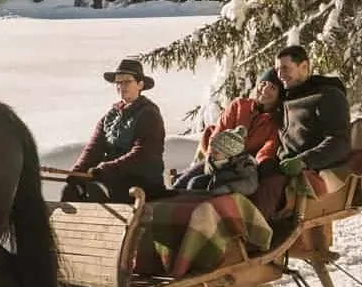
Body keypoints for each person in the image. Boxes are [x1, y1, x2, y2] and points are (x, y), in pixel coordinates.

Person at [254, 45, 352, 216]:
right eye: (277, 70)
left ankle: (256, 238)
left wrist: (304, 161)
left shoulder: (328, 96)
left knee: (268, 188)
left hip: (304, 169)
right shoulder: (286, 98)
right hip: (278, 165)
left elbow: (339, 142)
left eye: (285, 68)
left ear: (304, 67)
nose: (280, 75)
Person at [63, 58, 166, 203]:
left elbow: (143, 153)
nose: (121, 86)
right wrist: (77, 172)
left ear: (140, 85)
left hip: (142, 181)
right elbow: (93, 149)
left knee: (98, 190)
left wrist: (106, 169)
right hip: (110, 176)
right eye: (118, 83)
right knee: (72, 190)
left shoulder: (149, 114)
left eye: (127, 82)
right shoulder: (109, 116)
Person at [168, 68, 283, 195]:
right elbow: (219, 132)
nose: (265, 89)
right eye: (263, 83)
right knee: (181, 184)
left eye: (272, 87)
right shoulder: (239, 105)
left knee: (196, 184)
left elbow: (267, 150)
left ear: (279, 95)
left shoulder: (274, 122)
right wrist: (216, 156)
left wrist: (259, 166)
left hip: (239, 168)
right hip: (217, 157)